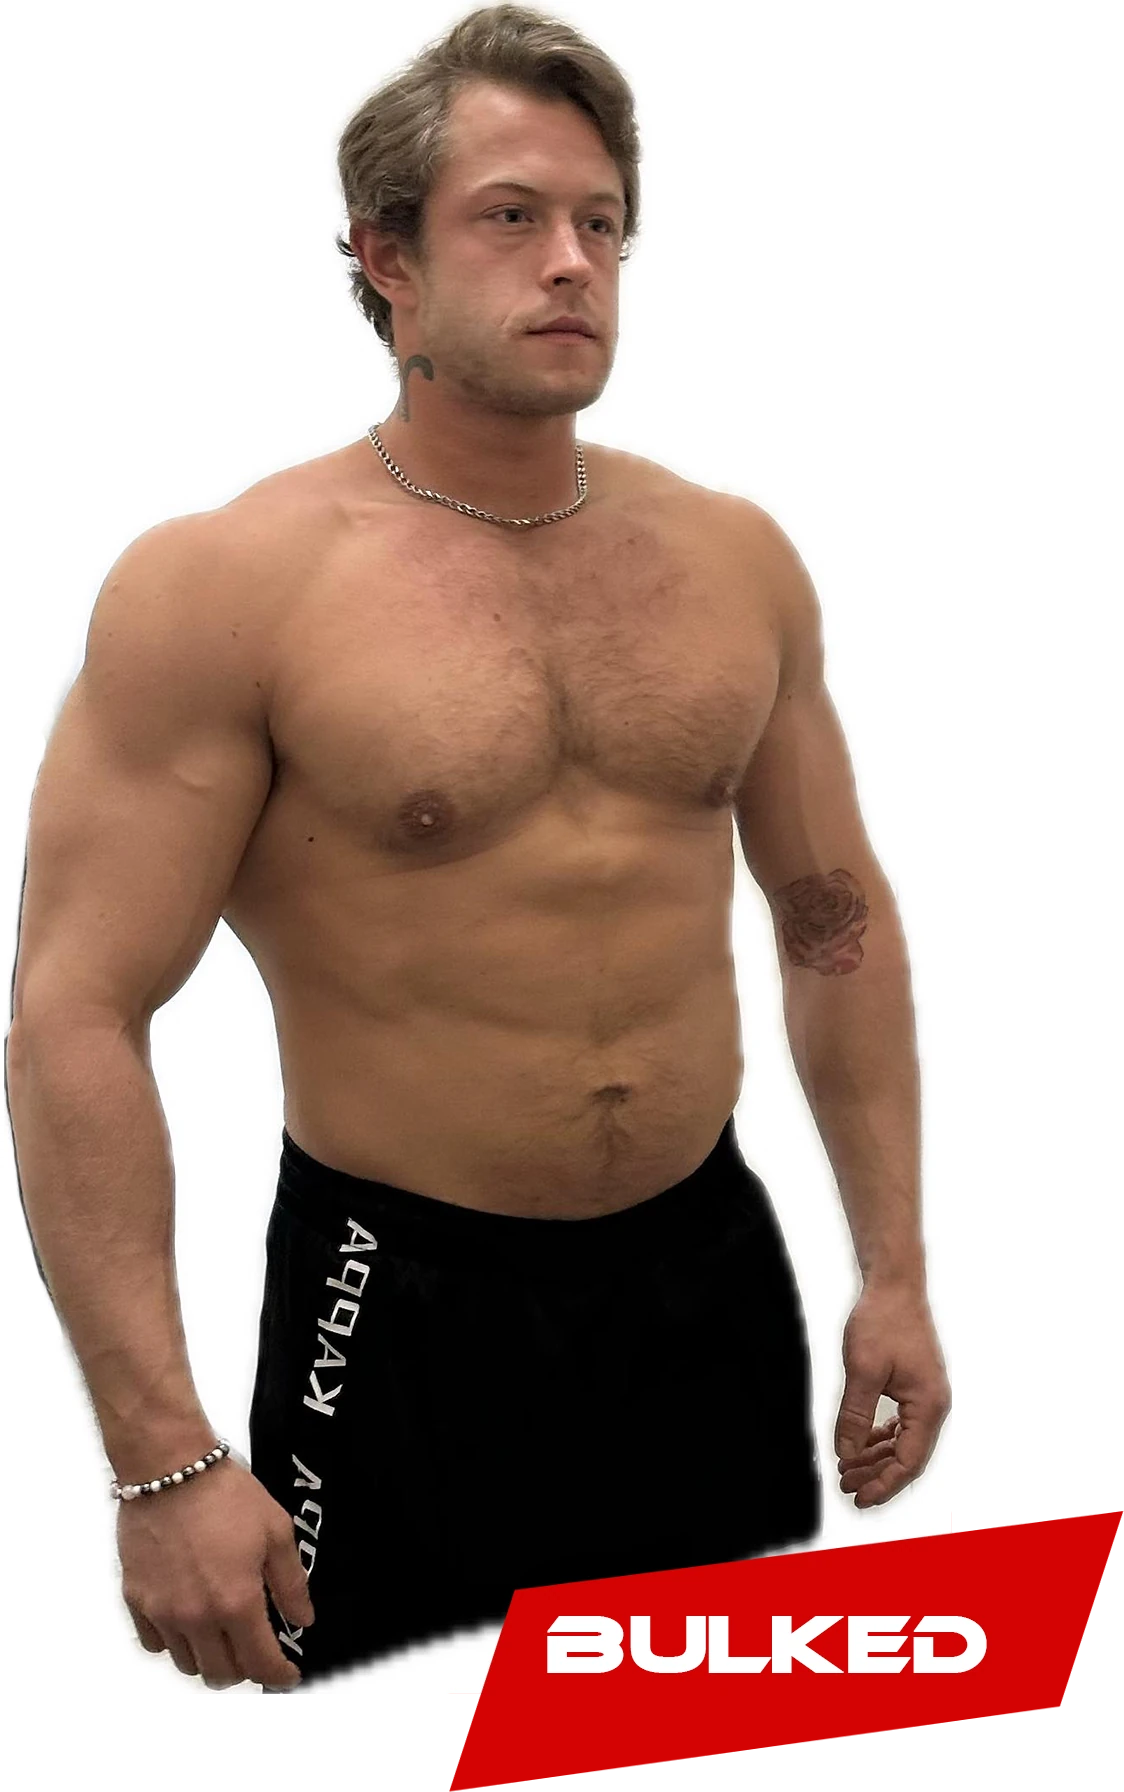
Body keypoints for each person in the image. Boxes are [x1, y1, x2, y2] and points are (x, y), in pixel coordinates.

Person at [3, 3, 950, 1695]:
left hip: (707, 1271)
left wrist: (895, 1269)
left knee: (708, 1724)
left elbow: (832, 917)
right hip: (399, 1300)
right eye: (511, 216)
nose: (573, 261)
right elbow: (72, 1011)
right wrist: (160, 1460)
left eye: (602, 222)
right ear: (387, 260)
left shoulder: (734, 560)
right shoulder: (226, 585)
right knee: (399, 1734)